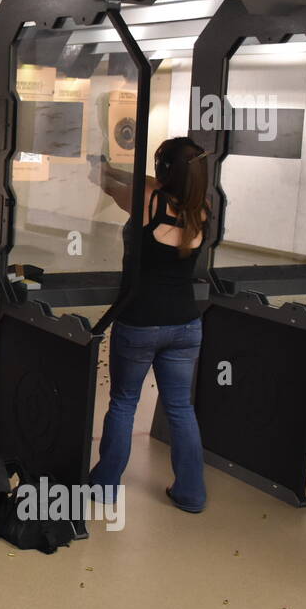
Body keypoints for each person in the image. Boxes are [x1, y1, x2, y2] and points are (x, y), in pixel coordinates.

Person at [89, 136, 211, 512]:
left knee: (124, 403)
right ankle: (191, 493)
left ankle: (106, 485)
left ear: (163, 171)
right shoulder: (200, 207)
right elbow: (149, 180)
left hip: (141, 321)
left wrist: (102, 171)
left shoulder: (148, 200)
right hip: (186, 324)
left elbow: (111, 187)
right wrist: (115, 167)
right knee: (180, 408)